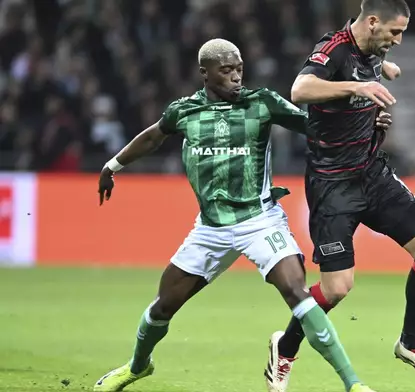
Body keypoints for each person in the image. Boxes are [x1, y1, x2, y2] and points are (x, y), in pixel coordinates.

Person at [93, 38, 392, 392]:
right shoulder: (183, 111)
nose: (236, 77)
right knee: (163, 307)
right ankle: (137, 367)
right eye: (227, 70)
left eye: (239, 69)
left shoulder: (261, 103)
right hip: (210, 228)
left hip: (259, 221)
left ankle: (353, 384)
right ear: (205, 74)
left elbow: (315, 126)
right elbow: (152, 137)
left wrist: (366, 124)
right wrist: (113, 165)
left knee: (297, 292)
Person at [264, 1, 415, 391]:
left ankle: (409, 344)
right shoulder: (334, 50)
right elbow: (300, 89)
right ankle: (285, 347)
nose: (398, 40)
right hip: (332, 186)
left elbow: (373, 73)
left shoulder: (373, 54)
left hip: (373, 175)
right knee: (336, 289)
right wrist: (360, 87)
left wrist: (382, 78)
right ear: (373, 21)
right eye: (395, 33)